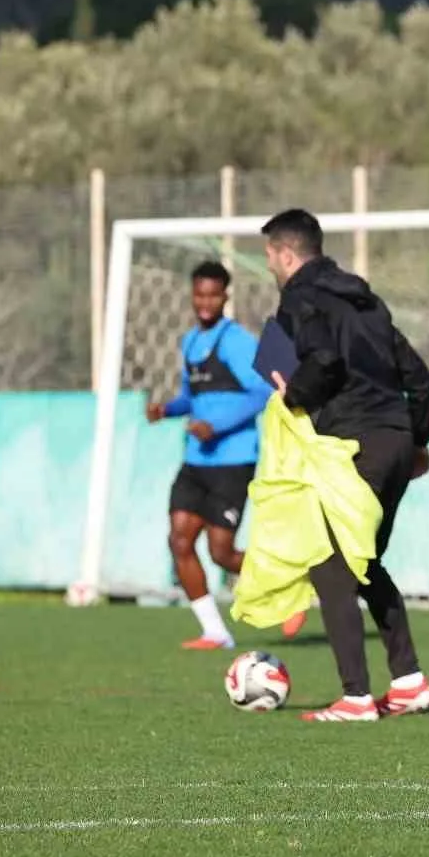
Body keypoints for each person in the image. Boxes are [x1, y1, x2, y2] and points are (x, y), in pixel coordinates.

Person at [261, 208, 429, 723]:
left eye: (269, 256)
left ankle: (356, 697)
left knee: (331, 564)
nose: (269, 266)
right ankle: (408, 682)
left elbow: (323, 361)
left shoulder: (300, 298)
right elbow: (421, 379)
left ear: (286, 254)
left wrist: (293, 393)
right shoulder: (368, 302)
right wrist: (417, 441)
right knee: (364, 562)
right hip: (395, 441)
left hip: (355, 444)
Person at [146, 261, 289, 650]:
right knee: (179, 541)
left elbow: (264, 392)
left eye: (213, 295)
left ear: (225, 296)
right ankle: (215, 631)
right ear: (192, 295)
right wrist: (167, 410)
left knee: (222, 553)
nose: (205, 302)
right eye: (199, 294)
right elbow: (192, 397)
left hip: (233, 459)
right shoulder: (190, 342)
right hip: (196, 460)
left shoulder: (237, 341)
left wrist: (217, 425)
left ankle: (284, 583)